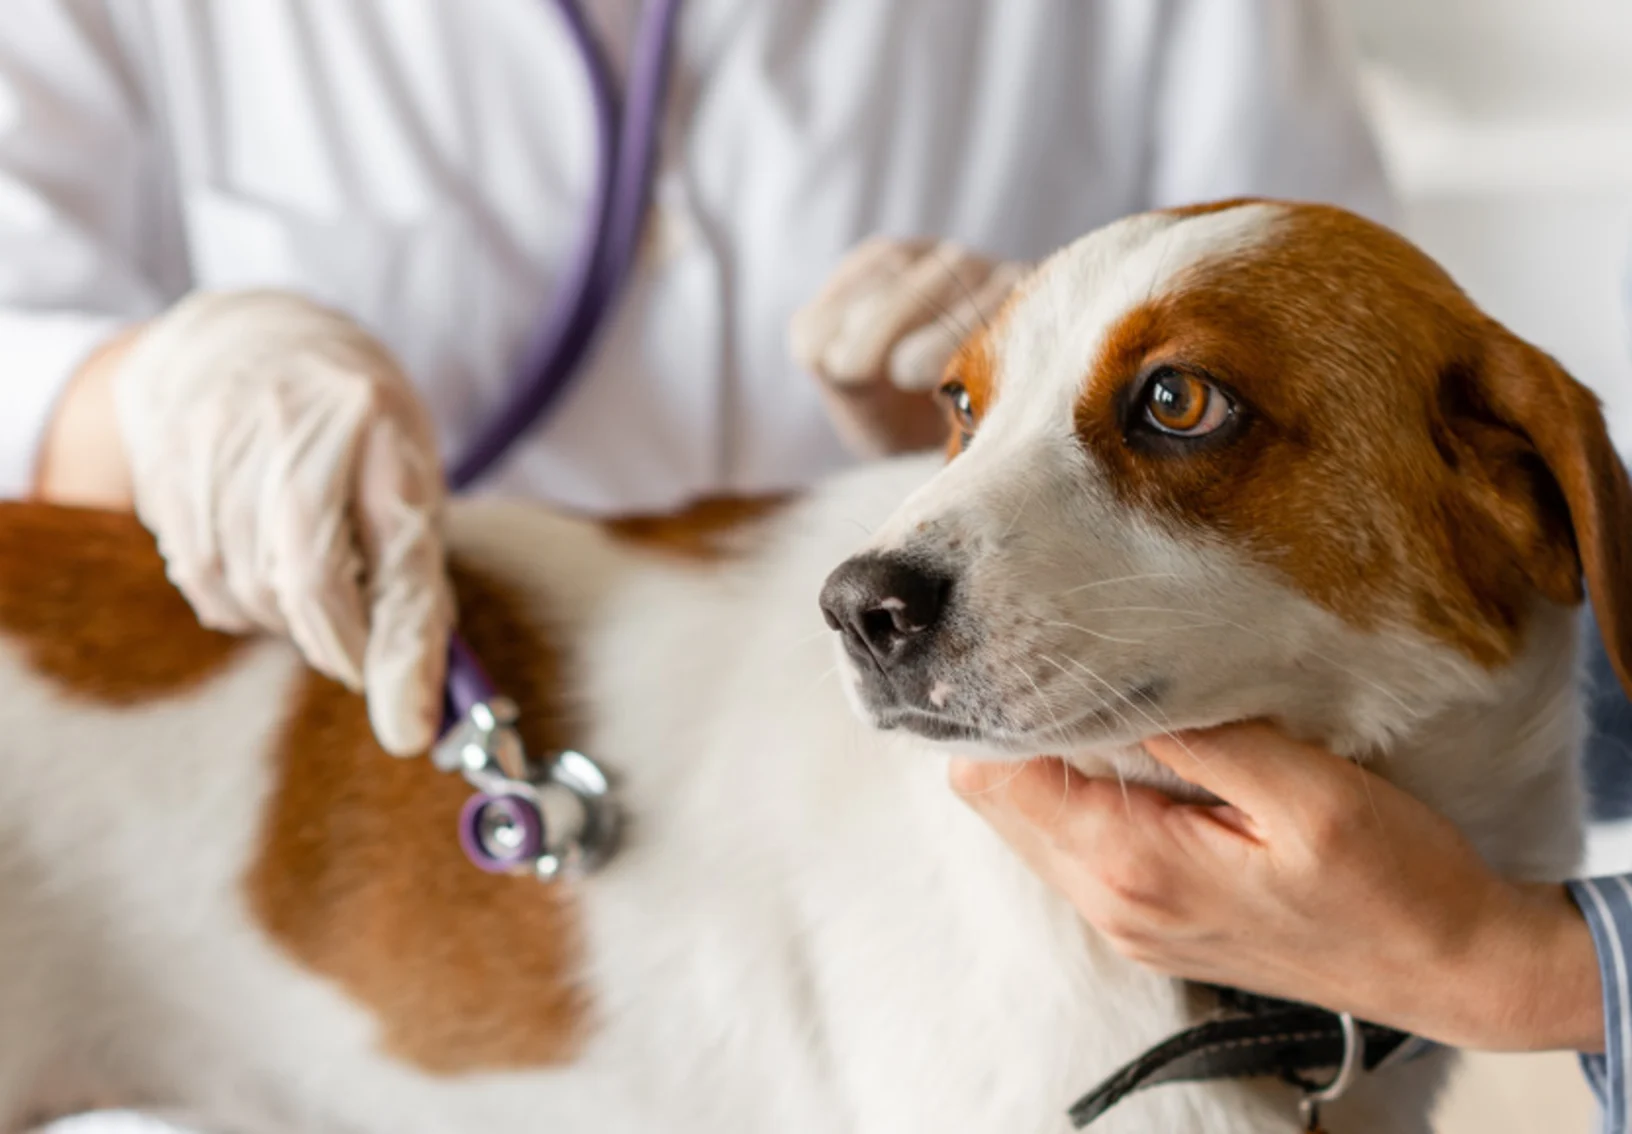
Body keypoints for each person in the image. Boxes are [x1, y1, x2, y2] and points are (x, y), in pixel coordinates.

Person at [6, 1, 1393, 1130]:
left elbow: (1352, 368)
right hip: (289, 834)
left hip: (1001, 823)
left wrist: (1013, 433)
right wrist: (150, 387)